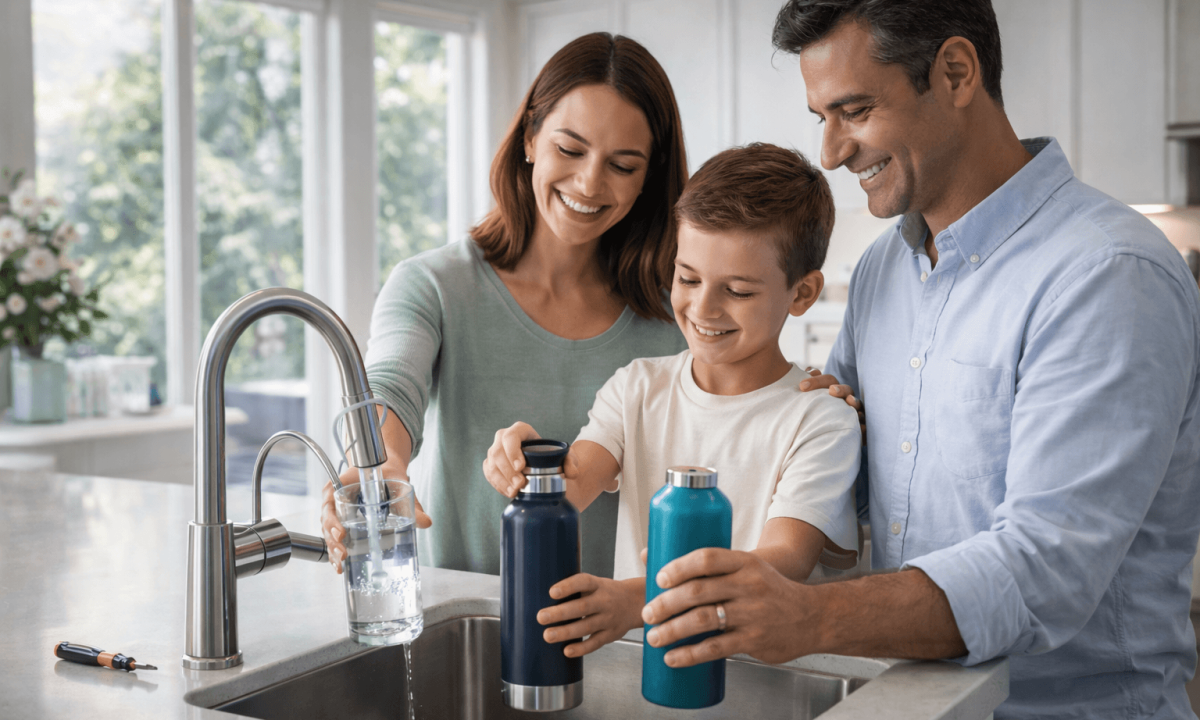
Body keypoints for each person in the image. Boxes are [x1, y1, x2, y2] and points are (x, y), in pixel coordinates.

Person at [640, 2, 1200, 718]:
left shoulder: (1107, 275)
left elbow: (1046, 570)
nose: (831, 152)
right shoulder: (885, 269)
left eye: (855, 110)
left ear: (956, 73)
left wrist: (809, 616)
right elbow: (837, 468)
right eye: (822, 117)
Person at [320, 33, 691, 579]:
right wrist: (379, 464)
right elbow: (392, 382)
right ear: (530, 139)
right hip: (464, 615)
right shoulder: (434, 285)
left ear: (648, 179)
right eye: (570, 149)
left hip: (621, 624)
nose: (590, 182)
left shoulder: (680, 315)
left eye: (623, 165)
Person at [483, 143, 862, 658]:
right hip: (647, 676)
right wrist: (528, 466)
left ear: (801, 293)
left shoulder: (819, 420)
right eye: (688, 278)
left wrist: (640, 600)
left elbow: (783, 560)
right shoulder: (636, 387)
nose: (703, 307)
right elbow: (572, 486)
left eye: (738, 291)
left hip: (764, 681)